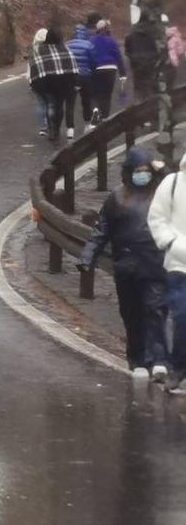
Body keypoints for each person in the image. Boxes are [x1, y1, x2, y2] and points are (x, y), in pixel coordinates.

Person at [79, 148, 168, 397]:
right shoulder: (116, 199)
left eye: (146, 171)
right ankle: (137, 360)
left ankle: (158, 360)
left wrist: (162, 168)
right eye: (138, 171)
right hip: (127, 267)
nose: (143, 175)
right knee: (132, 315)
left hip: (155, 263)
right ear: (129, 172)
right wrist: (88, 257)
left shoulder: (162, 194)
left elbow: (178, 185)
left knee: (156, 309)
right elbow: (101, 232)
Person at [147, 152, 186, 394]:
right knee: (182, 315)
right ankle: (178, 366)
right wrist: (171, 243)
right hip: (178, 265)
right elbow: (157, 218)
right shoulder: (172, 183)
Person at [29, 27, 80, 145]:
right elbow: (73, 65)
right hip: (64, 81)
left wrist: (34, 82)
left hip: (47, 82)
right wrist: (75, 81)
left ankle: (52, 128)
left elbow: (35, 66)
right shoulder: (65, 48)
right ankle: (56, 129)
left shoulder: (39, 49)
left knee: (50, 104)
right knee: (59, 106)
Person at [90, 20, 125, 123]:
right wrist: (122, 73)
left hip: (97, 68)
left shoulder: (92, 41)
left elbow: (90, 55)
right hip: (110, 69)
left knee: (95, 93)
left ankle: (95, 109)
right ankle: (105, 118)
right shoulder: (112, 41)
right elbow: (118, 57)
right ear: (107, 29)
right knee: (107, 94)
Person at [126, 11, 162, 104]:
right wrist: (155, 59)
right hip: (150, 63)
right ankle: (151, 108)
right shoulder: (151, 32)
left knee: (138, 87)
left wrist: (132, 58)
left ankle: (139, 107)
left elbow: (128, 49)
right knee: (150, 85)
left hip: (136, 63)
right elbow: (156, 50)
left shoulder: (132, 32)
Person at [66, 22, 96, 133]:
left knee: (70, 103)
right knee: (86, 101)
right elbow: (93, 62)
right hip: (86, 76)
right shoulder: (89, 45)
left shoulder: (67, 45)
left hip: (72, 77)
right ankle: (87, 125)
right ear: (85, 33)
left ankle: (70, 129)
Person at [28, 28, 50, 137]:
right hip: (49, 79)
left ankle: (43, 128)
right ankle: (52, 124)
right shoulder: (50, 49)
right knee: (51, 102)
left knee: (41, 104)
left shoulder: (33, 50)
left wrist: (30, 80)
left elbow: (30, 68)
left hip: (36, 80)